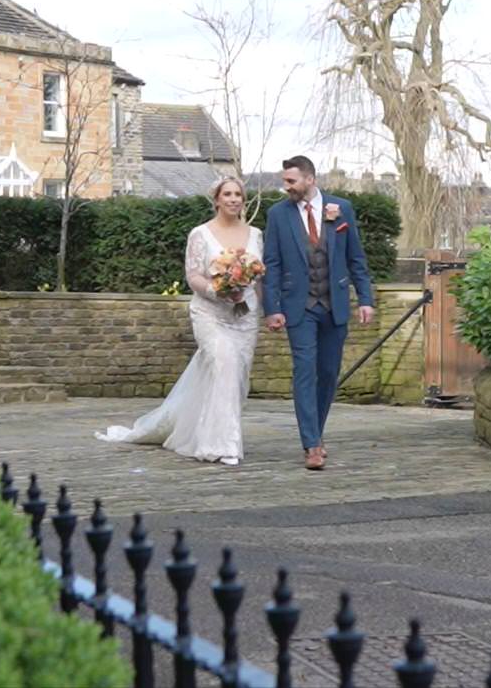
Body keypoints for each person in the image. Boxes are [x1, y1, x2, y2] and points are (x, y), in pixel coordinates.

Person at [95, 176, 261, 465]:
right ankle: (220, 445)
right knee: (225, 363)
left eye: (238, 194)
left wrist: (266, 308)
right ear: (217, 199)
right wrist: (217, 290)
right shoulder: (201, 234)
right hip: (210, 314)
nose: (234, 199)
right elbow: (193, 275)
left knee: (235, 375)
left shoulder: (255, 234)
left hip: (244, 315)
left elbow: (259, 278)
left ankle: (196, 428)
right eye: (228, 194)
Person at [262, 155, 374, 470]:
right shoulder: (278, 215)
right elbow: (271, 264)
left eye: (291, 181)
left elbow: (356, 259)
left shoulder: (341, 209)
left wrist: (366, 299)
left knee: (327, 374)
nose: (286, 187)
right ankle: (311, 444)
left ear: (310, 179)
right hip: (300, 308)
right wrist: (272, 308)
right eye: (285, 181)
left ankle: (317, 433)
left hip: (335, 305)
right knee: (305, 371)